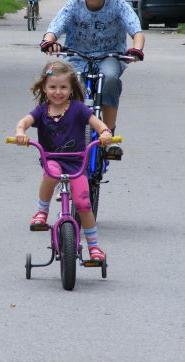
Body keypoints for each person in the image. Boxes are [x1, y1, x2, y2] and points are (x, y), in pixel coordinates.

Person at [39, 0, 145, 160]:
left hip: (110, 55)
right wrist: (48, 42)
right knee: (67, 87)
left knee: (110, 78)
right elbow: (54, 28)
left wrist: (137, 49)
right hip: (77, 56)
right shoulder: (74, 5)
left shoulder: (117, 3)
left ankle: (108, 136)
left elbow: (136, 30)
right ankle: (69, 134)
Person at [13, 60, 113, 261]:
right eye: (52, 87)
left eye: (63, 87)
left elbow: (98, 124)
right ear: (44, 87)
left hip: (77, 162)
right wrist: (20, 132)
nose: (57, 92)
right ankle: (42, 211)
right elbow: (24, 122)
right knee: (52, 172)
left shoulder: (78, 109)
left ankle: (94, 248)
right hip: (53, 159)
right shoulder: (42, 111)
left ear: (71, 88)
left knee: (84, 204)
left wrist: (105, 132)